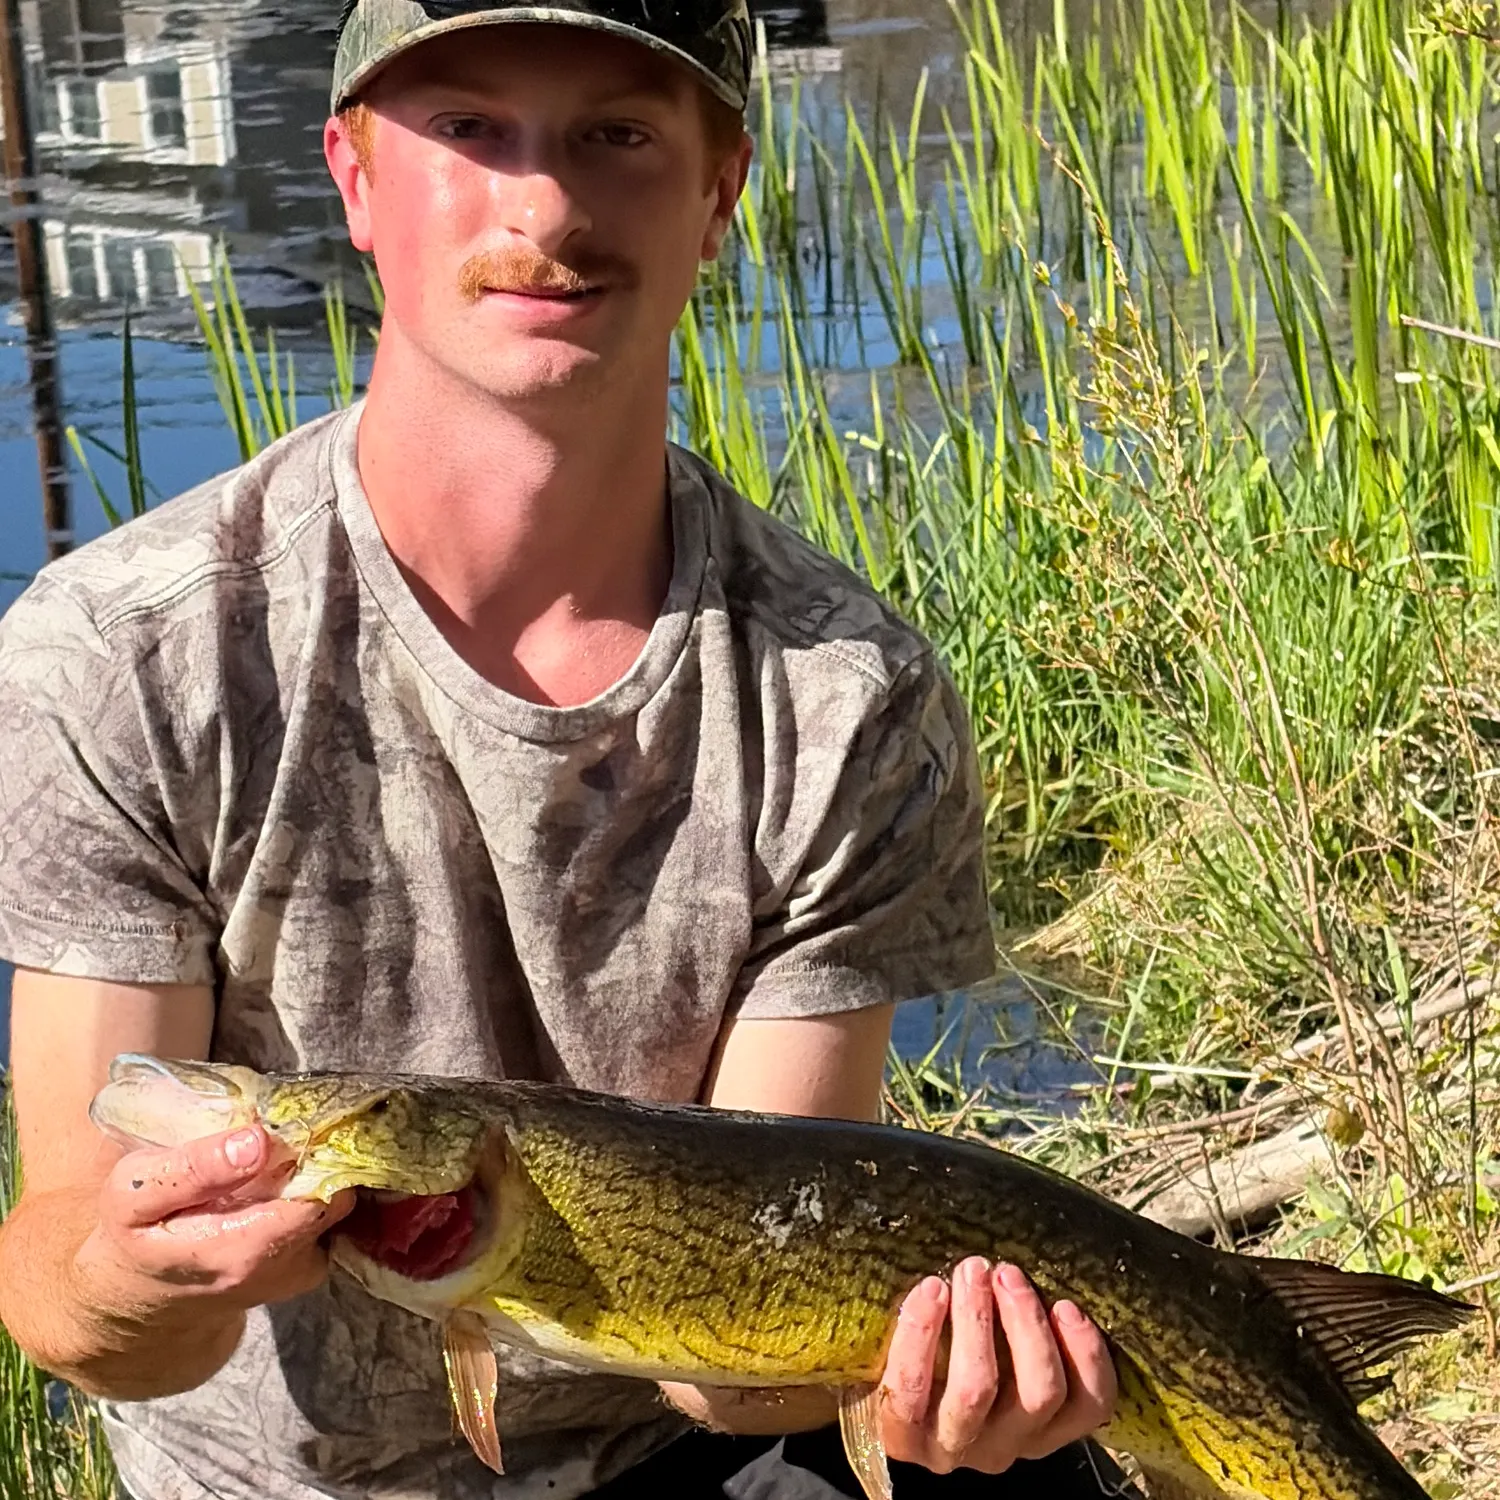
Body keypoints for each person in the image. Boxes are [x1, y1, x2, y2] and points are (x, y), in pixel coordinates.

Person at [0, 3, 1130, 1496]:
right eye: (470, 130)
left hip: (676, 1457)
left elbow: (724, 1369)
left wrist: (936, 1380)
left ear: (721, 189)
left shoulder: (844, 697)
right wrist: (144, 1275)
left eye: (618, 135)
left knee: (1015, 1472)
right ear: (353, 178)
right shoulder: (125, 653)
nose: (544, 207)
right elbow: (69, 1305)